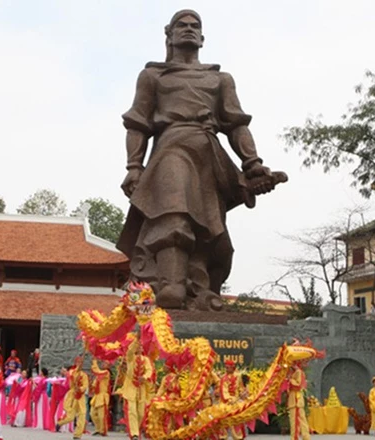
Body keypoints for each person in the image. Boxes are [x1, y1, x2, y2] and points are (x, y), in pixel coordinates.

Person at [117, 9, 283, 312]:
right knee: (173, 211)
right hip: (171, 147)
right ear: (169, 35)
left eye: (195, 26)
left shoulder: (219, 79)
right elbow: (138, 123)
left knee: (209, 231)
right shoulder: (153, 76)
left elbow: (236, 124)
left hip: (209, 156)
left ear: (203, 38)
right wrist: (133, 167)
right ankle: (170, 284)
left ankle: (198, 286)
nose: (189, 29)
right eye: (182, 25)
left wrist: (252, 164)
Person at [119, 341, 153, 440]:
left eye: (141, 346)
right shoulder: (131, 358)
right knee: (132, 411)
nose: (140, 348)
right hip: (130, 387)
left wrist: (145, 377)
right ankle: (134, 434)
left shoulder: (146, 360)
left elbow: (149, 370)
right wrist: (136, 341)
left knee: (141, 413)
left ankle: (136, 430)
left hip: (141, 388)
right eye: (138, 346)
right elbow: (129, 351)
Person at [56, 356, 89, 439]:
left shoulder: (84, 375)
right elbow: (70, 380)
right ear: (76, 363)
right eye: (78, 362)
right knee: (70, 416)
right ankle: (60, 423)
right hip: (72, 396)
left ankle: (77, 435)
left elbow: (85, 386)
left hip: (80, 396)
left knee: (82, 414)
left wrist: (81, 388)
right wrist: (75, 379)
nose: (80, 364)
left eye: (81, 362)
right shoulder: (72, 372)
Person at [219, 360, 245, 440]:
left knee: (238, 418)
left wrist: (242, 393)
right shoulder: (223, 378)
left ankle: (238, 436)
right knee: (222, 418)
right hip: (226, 402)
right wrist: (230, 399)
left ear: (232, 368)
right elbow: (224, 391)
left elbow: (241, 388)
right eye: (226, 367)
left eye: (228, 368)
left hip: (236, 401)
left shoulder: (238, 376)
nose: (226, 369)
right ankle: (223, 436)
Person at [287, 362, 310, 440]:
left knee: (298, 420)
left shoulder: (298, 372)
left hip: (296, 400)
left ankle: (299, 437)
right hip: (293, 399)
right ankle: (298, 437)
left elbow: (298, 385)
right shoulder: (293, 372)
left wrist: (290, 380)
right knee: (294, 420)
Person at [90, 359, 112, 436]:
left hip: (103, 396)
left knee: (101, 415)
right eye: (103, 362)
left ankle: (102, 430)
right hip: (96, 396)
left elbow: (97, 371)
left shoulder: (106, 373)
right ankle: (98, 429)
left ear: (109, 366)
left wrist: (94, 361)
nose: (103, 364)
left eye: (105, 363)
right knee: (92, 413)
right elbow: (94, 384)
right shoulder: (99, 375)